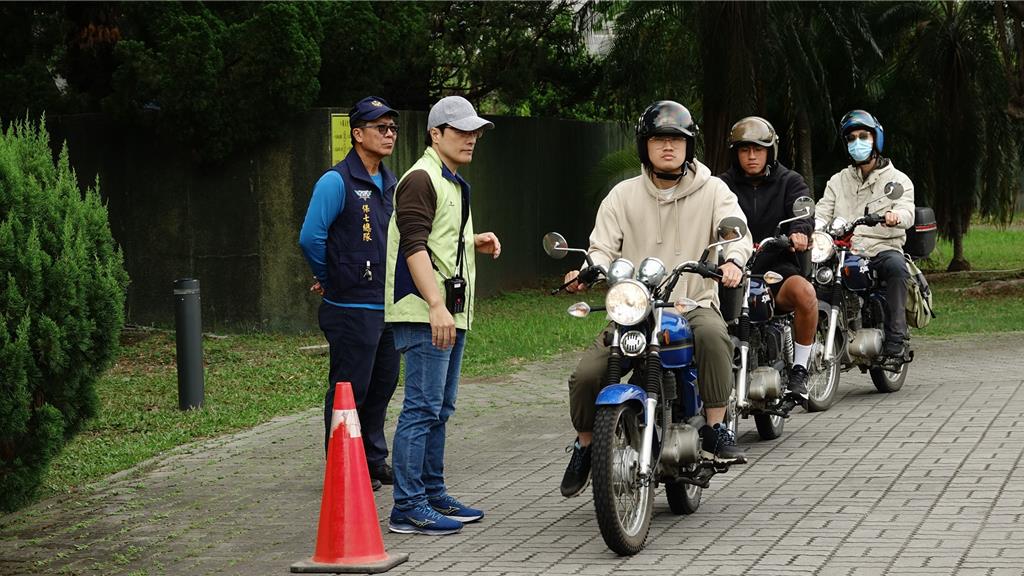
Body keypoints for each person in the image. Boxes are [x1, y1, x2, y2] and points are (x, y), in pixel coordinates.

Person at [559, 100, 753, 499]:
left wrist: (732, 260)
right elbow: (601, 247)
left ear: (689, 147)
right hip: (635, 310)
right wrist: (588, 269)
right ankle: (584, 446)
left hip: (691, 303)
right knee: (585, 375)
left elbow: (737, 234)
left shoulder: (714, 189)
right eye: (659, 139)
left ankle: (716, 426)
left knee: (716, 337)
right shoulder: (622, 195)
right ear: (644, 146)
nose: (668, 147)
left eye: (677, 140)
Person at [384, 96, 502, 535]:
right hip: (424, 312)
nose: (471, 138)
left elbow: (437, 238)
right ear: (436, 134)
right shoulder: (420, 178)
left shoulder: (450, 180)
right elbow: (413, 247)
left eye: (475, 131)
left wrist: (475, 241)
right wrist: (436, 305)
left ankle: (432, 492)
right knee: (421, 407)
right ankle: (408, 506)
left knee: (441, 407)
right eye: (461, 131)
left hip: (449, 312)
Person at [298, 96, 402, 492]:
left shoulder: (391, 182)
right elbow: (310, 237)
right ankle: (343, 466)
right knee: (349, 389)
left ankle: (374, 460)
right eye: (381, 127)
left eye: (392, 128)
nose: (389, 134)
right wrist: (332, 276)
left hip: (387, 304)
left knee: (382, 385)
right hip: (351, 307)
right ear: (358, 134)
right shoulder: (336, 181)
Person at [717, 116, 816, 404]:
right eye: (744, 149)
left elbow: (803, 212)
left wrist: (799, 232)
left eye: (758, 149)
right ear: (735, 153)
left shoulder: (789, 181)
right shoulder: (721, 185)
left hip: (776, 267)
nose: (751, 156)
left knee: (805, 293)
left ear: (770, 150)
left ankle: (799, 369)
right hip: (732, 269)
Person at [815, 109, 915, 363]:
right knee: (814, 281)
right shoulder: (838, 181)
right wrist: (813, 229)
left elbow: (907, 211)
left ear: (876, 139)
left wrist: (896, 216)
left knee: (896, 267)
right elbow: (822, 212)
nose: (856, 143)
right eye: (851, 138)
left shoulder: (897, 180)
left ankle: (896, 339)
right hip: (843, 252)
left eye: (863, 136)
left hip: (881, 247)